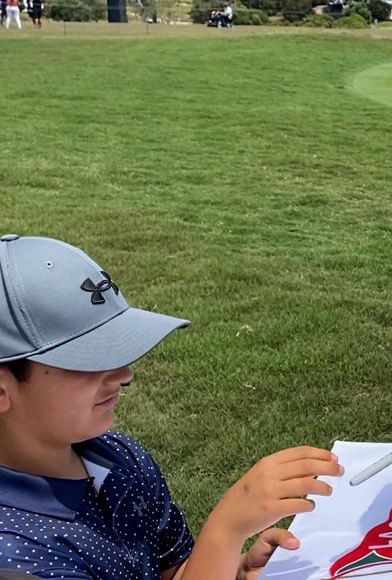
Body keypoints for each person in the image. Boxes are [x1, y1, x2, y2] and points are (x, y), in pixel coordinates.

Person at [0, 234, 343, 579]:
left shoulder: (122, 458)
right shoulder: (14, 558)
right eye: (88, 360)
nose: (124, 374)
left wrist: (230, 569)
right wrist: (223, 534)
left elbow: (174, 571)